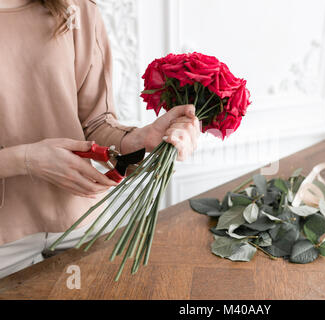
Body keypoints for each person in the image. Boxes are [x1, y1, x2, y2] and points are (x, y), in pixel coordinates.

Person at [0, 0, 200, 278]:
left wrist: (140, 139)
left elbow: (95, 122)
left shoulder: (76, 8)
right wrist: (27, 160)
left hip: (81, 221)